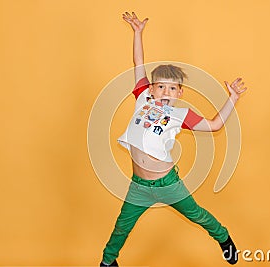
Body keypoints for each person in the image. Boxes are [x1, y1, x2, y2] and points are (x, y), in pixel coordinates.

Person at [100, 12, 248, 267]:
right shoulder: (143, 99)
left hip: (168, 183)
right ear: (150, 89)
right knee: (121, 227)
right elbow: (138, 62)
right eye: (160, 86)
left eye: (172, 88)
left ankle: (223, 237)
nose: (165, 92)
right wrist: (137, 33)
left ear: (180, 92)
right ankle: (107, 261)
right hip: (139, 186)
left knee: (197, 215)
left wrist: (232, 98)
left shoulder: (181, 114)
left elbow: (214, 125)